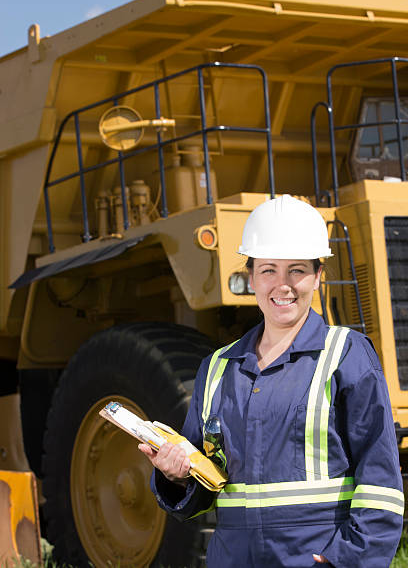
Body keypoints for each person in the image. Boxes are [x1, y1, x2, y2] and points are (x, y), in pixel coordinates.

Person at [139, 195, 404, 567]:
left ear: (318, 274)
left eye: (297, 270)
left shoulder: (346, 355)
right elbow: (207, 487)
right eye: (268, 270)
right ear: (251, 278)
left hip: (315, 559)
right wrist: (174, 475)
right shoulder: (217, 367)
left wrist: (345, 561)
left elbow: (381, 485)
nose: (283, 285)